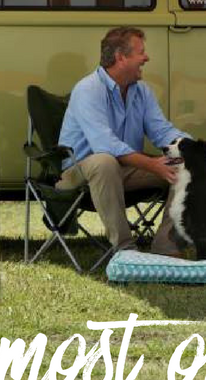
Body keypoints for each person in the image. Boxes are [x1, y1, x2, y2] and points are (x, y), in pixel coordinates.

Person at [57, 26, 187, 255]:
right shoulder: (88, 89)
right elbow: (105, 145)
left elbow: (161, 131)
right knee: (104, 161)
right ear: (121, 57)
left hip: (125, 170)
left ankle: (166, 249)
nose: (146, 58)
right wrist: (152, 164)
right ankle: (126, 251)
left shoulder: (142, 91)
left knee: (187, 168)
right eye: (141, 52)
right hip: (78, 174)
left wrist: (193, 148)